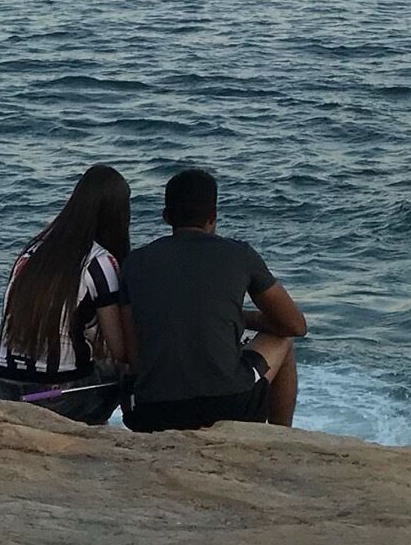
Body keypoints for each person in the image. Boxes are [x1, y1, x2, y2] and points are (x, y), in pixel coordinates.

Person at [120, 167, 308, 432]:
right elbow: (296, 326)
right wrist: (239, 317)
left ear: (166, 217)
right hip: (228, 406)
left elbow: (134, 357)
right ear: (213, 217)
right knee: (282, 340)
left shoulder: (134, 263)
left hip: (153, 412)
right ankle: (279, 436)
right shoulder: (239, 255)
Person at [0, 164, 135, 425]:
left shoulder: (32, 252)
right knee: (128, 369)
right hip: (57, 396)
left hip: (7, 388)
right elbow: (120, 348)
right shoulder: (99, 261)